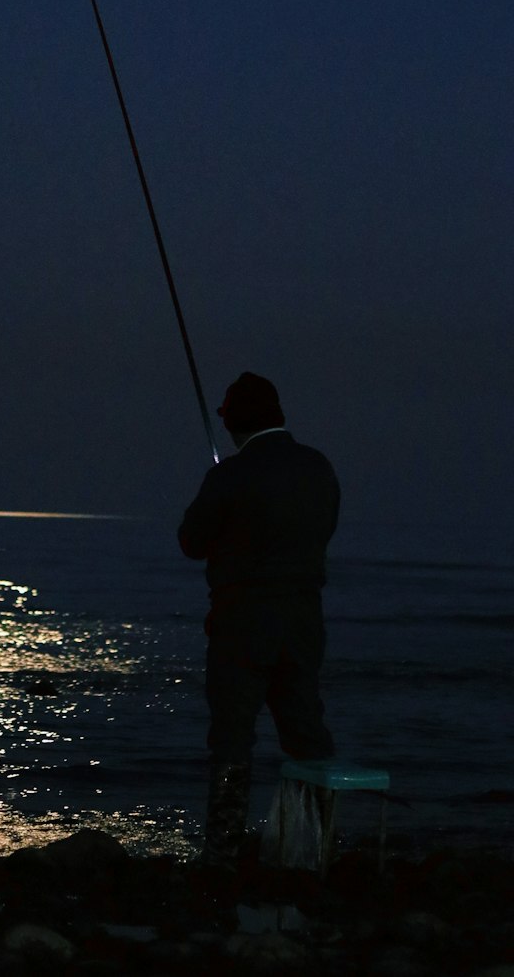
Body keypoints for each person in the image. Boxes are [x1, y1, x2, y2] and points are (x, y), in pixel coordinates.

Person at [178, 371, 340, 875]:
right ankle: (312, 846)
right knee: (306, 735)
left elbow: (191, 542)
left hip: (241, 630)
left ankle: (223, 853)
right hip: (303, 626)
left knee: (231, 738)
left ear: (234, 424)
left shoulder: (229, 475)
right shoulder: (318, 468)